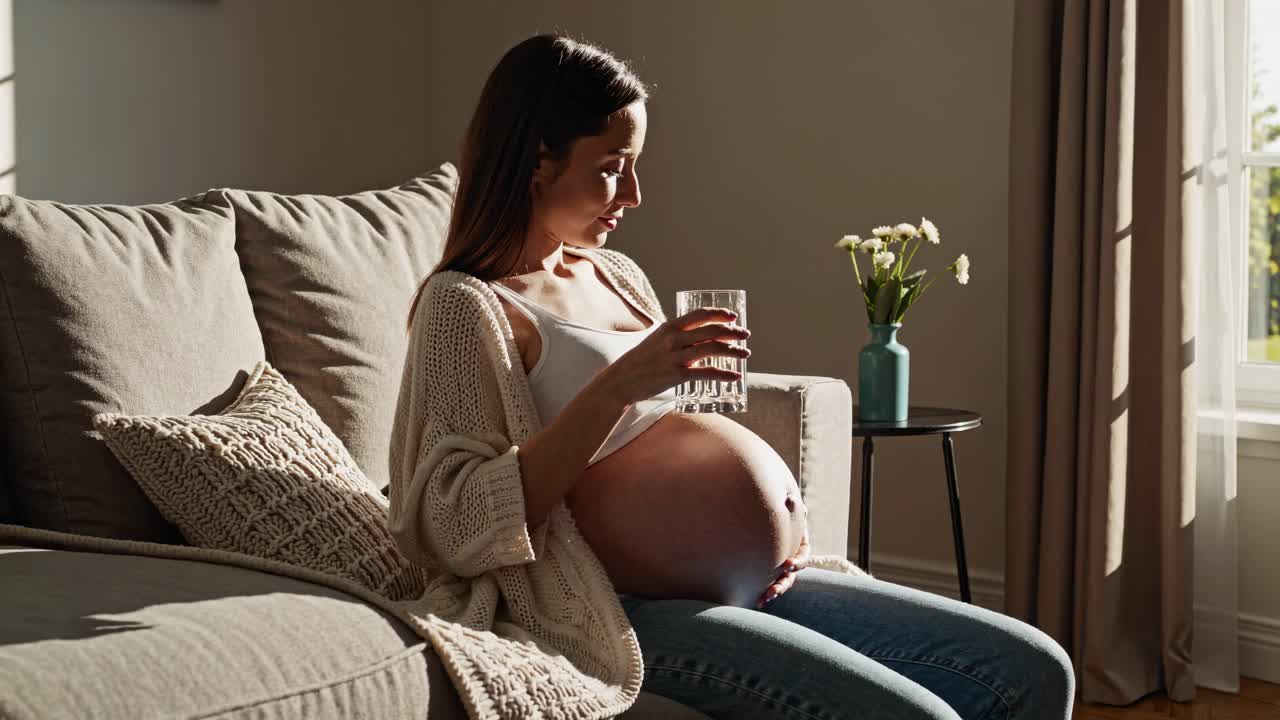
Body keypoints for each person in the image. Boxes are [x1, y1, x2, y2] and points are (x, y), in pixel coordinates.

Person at [390, 32, 1076, 719]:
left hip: (761, 579)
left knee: (1034, 669)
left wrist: (772, 521)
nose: (633, 192)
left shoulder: (616, 275)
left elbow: (666, 441)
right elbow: (451, 525)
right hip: (612, 608)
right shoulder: (466, 304)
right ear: (538, 160)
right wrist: (620, 384)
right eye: (612, 167)